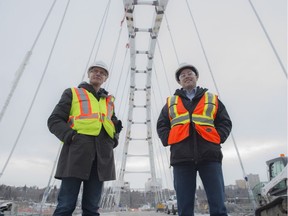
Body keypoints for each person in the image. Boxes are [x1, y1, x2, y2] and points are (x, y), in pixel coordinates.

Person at [47, 61, 122, 216]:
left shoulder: (108, 101)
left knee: (92, 208)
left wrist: (113, 139)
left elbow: (111, 124)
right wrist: (71, 137)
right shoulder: (73, 93)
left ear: (105, 78)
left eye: (102, 72)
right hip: (76, 152)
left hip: (101, 157)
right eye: (94, 71)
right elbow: (54, 120)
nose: (98, 74)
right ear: (88, 75)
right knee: (66, 206)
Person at [157, 63, 232, 216]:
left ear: (196, 77)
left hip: (210, 156)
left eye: (190, 73)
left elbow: (225, 122)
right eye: (182, 75)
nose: (187, 76)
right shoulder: (171, 103)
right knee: (184, 207)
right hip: (181, 158)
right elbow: (162, 124)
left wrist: (218, 138)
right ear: (179, 81)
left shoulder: (212, 99)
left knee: (218, 204)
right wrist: (168, 139)